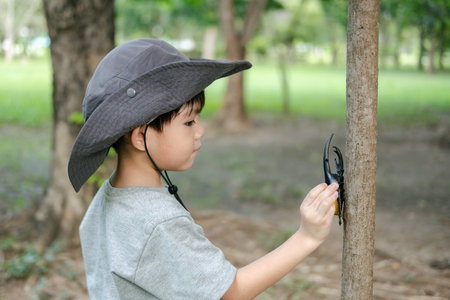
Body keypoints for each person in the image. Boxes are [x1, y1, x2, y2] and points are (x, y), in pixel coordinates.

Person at [68, 38, 339, 300]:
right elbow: (231, 292)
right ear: (141, 137)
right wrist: (307, 237)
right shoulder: (160, 222)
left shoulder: (106, 198)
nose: (200, 131)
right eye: (189, 122)